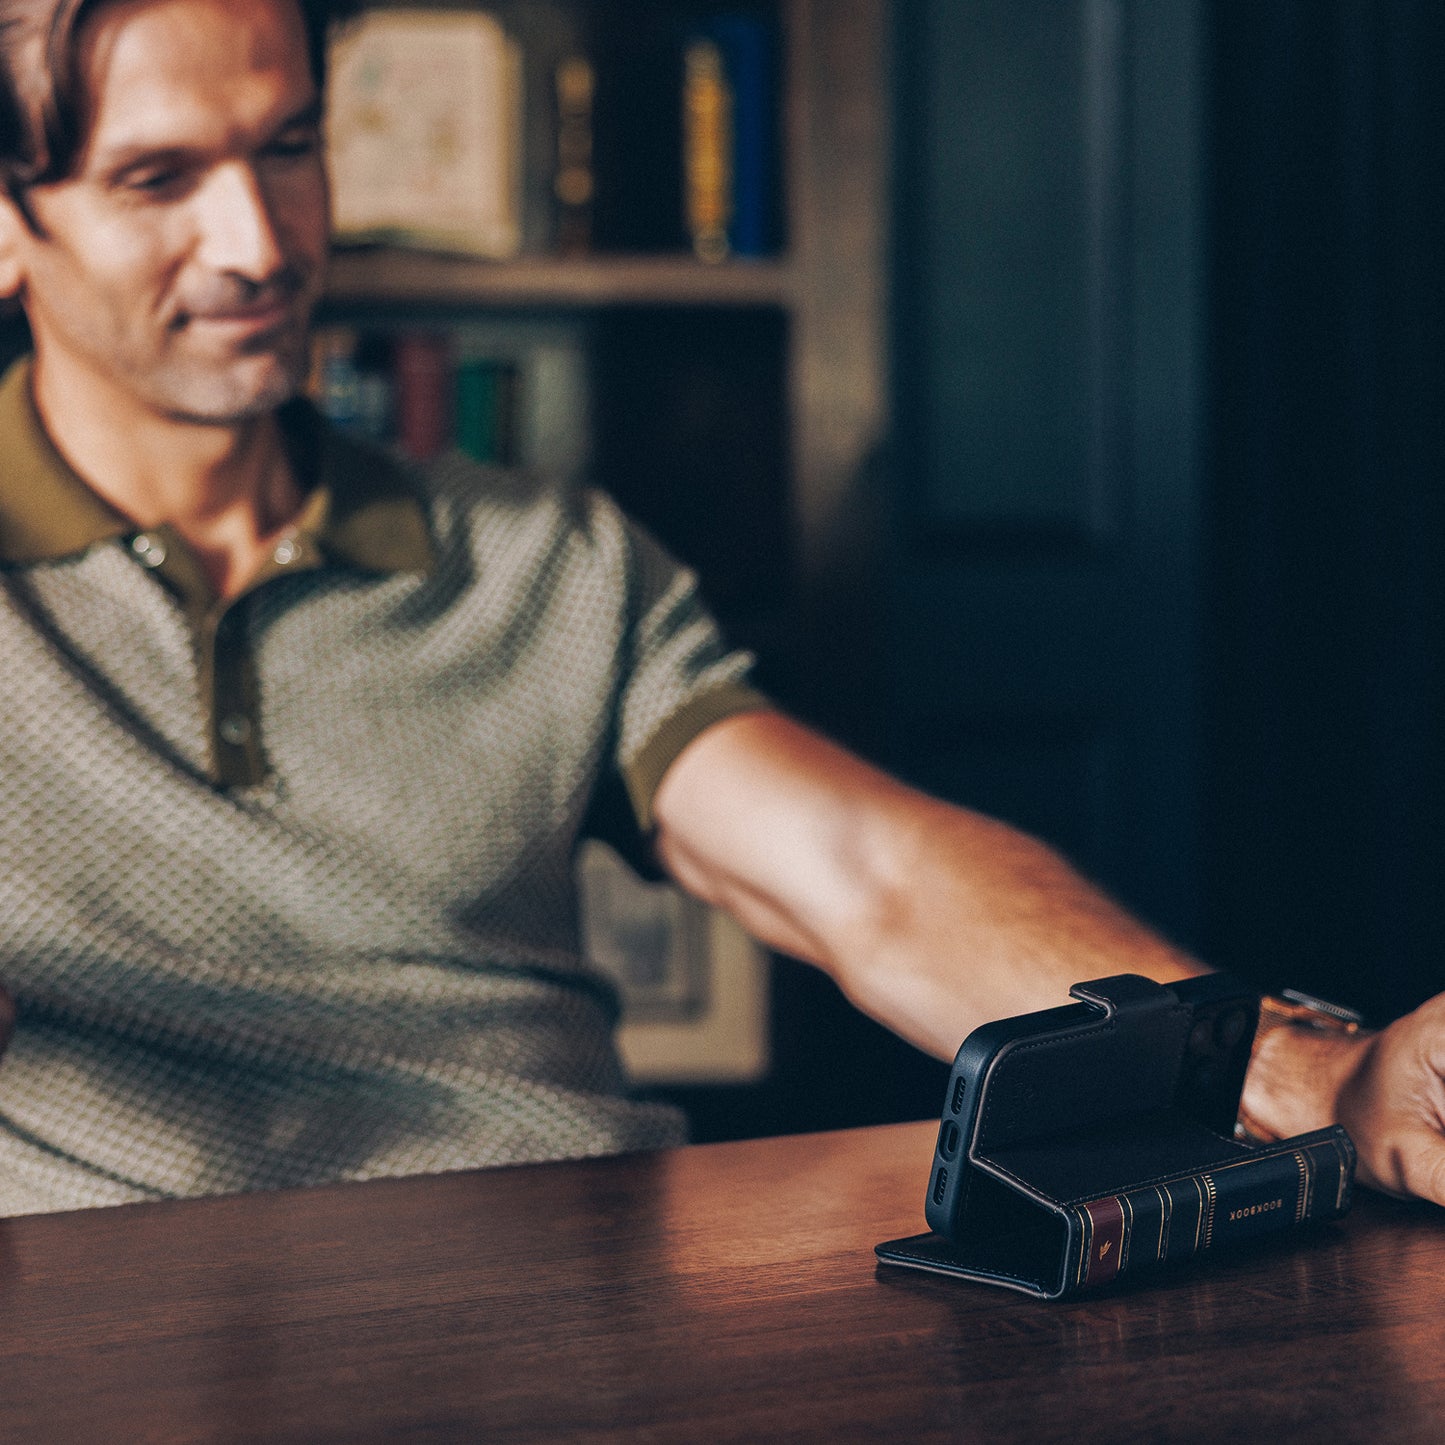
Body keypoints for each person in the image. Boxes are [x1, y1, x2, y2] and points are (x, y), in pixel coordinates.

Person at [0, 0, 1439, 1215]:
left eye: (288, 146)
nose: (256, 243)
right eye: (156, 179)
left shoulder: (545, 560)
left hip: (564, 1305)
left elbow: (868, 881)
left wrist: (1305, 1073)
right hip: (119, 1334)